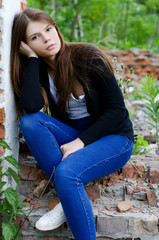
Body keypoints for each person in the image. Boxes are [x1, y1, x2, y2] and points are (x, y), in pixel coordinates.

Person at [10, 7, 134, 240]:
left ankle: (67, 197)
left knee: (67, 173)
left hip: (113, 137)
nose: (46, 38)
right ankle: (70, 198)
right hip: (75, 133)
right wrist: (34, 60)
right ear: (24, 45)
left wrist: (80, 141)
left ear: (56, 29)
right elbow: (32, 107)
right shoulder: (38, 69)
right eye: (35, 37)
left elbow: (117, 111)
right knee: (30, 121)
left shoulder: (89, 56)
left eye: (48, 29)